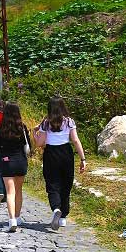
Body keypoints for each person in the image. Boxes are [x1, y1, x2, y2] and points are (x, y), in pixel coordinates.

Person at [33, 97, 88, 231]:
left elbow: (40, 143)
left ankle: (56, 208)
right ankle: (63, 217)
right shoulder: (69, 121)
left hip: (51, 154)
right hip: (66, 153)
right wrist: (83, 159)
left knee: (52, 184)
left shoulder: (46, 123)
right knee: (66, 183)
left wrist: (35, 134)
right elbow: (75, 140)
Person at [0, 103, 31, 232]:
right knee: (19, 191)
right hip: (21, 161)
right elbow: (28, 145)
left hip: (7, 162)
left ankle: (12, 219)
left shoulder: (1, 129)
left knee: (10, 192)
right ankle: (18, 217)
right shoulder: (22, 128)